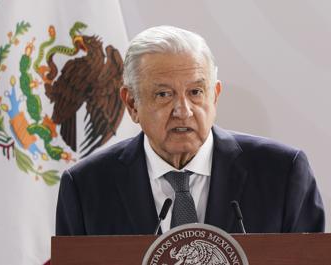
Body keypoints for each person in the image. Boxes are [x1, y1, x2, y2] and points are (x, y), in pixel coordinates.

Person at [56, 26, 324, 235]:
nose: (183, 110)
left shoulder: (281, 172)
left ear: (214, 95)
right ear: (131, 103)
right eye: (163, 94)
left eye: (196, 92)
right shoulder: (86, 186)